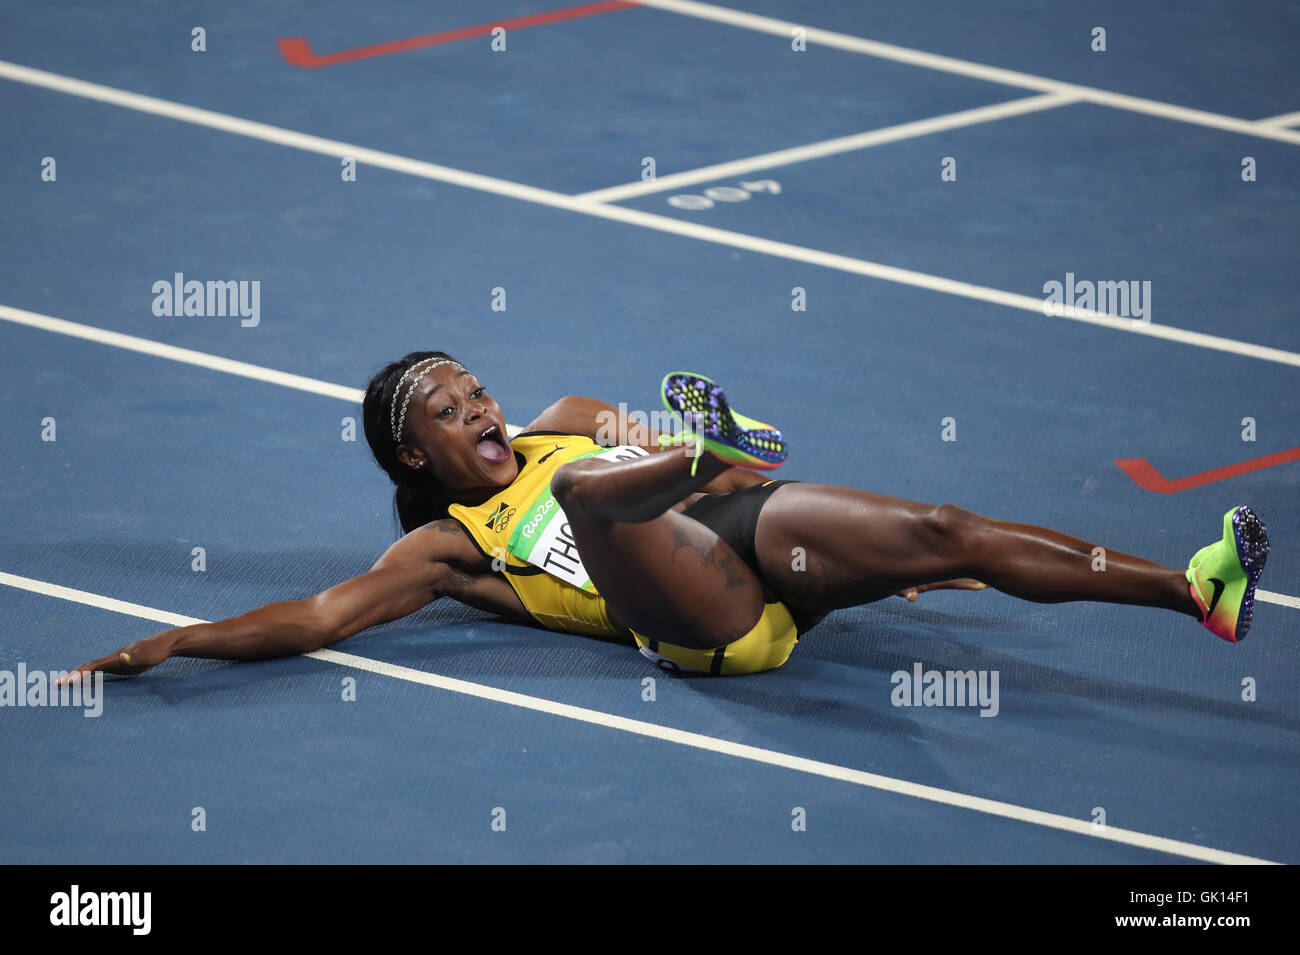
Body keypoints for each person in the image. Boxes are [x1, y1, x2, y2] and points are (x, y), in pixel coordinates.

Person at [62, 351, 1269, 682]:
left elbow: (731, 504)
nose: (477, 403)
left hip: (747, 547)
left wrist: (874, 561)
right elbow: (316, 617)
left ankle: (1191, 588)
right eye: (447, 407)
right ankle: (704, 442)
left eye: (473, 385)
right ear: (412, 451)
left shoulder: (567, 414)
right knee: (594, 495)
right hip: (704, 628)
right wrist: (180, 640)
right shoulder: (446, 548)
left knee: (947, 525)